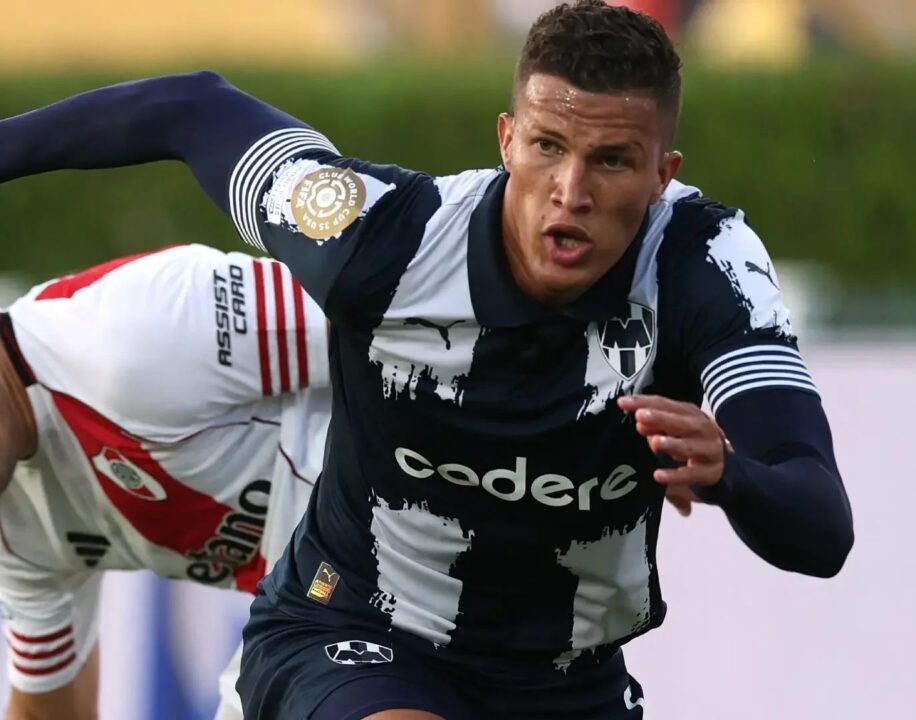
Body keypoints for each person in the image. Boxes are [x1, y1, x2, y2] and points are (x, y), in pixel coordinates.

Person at [0, 2, 854, 717]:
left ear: (663, 175)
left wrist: (733, 476)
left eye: (612, 161)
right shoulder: (379, 240)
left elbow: (821, 526)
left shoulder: (706, 266)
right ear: (506, 139)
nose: (571, 192)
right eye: (547, 147)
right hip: (355, 632)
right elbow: (191, 109)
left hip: (568, 681)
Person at [0, 244, 332, 720]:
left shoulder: (131, 328)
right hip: (328, 598)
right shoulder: (12, 526)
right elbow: (48, 710)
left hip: (407, 523)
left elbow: (397, 311)